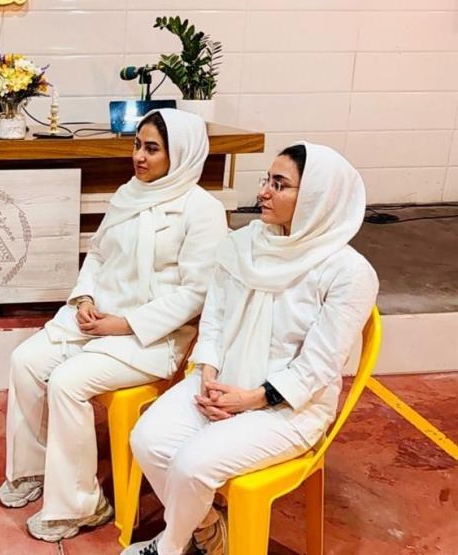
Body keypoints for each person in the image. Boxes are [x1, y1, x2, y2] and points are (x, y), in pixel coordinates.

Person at [123, 143, 379, 555]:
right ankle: (210, 530)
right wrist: (207, 371)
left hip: (289, 407)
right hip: (222, 381)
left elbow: (318, 366)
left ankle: (169, 547)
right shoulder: (242, 244)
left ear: (316, 197)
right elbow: (215, 318)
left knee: (192, 464)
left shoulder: (348, 273)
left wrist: (252, 398)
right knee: (147, 439)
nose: (263, 192)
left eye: (280, 184)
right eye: (267, 180)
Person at [0, 109, 228, 542]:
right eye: (137, 145)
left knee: (67, 382)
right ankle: (33, 470)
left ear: (180, 154)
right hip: (98, 319)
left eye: (152, 149)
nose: (139, 156)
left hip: (151, 338)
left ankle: (82, 504)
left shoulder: (203, 210)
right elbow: (99, 254)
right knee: (25, 360)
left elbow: (197, 292)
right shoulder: (129, 193)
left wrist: (125, 324)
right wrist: (84, 298)